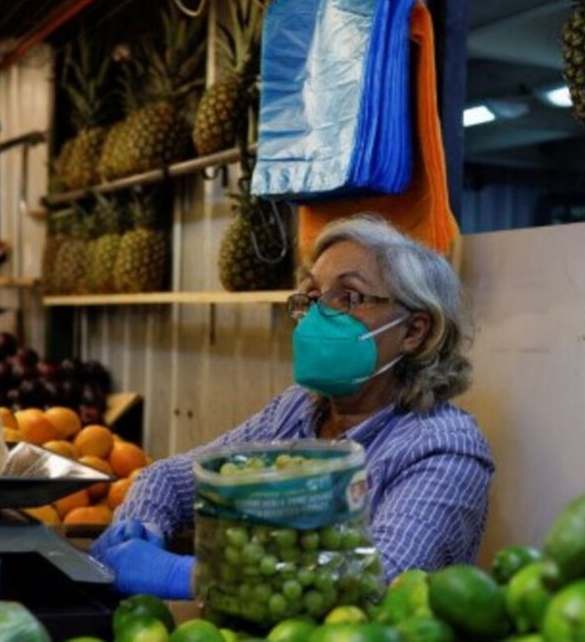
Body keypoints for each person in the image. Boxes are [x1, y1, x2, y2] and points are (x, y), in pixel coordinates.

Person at [90, 215, 494, 599]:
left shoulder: (444, 446)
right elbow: (173, 479)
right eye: (314, 296)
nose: (318, 315)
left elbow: (375, 583)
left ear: (413, 331)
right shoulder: (299, 410)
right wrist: (142, 525)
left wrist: (191, 576)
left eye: (348, 297)